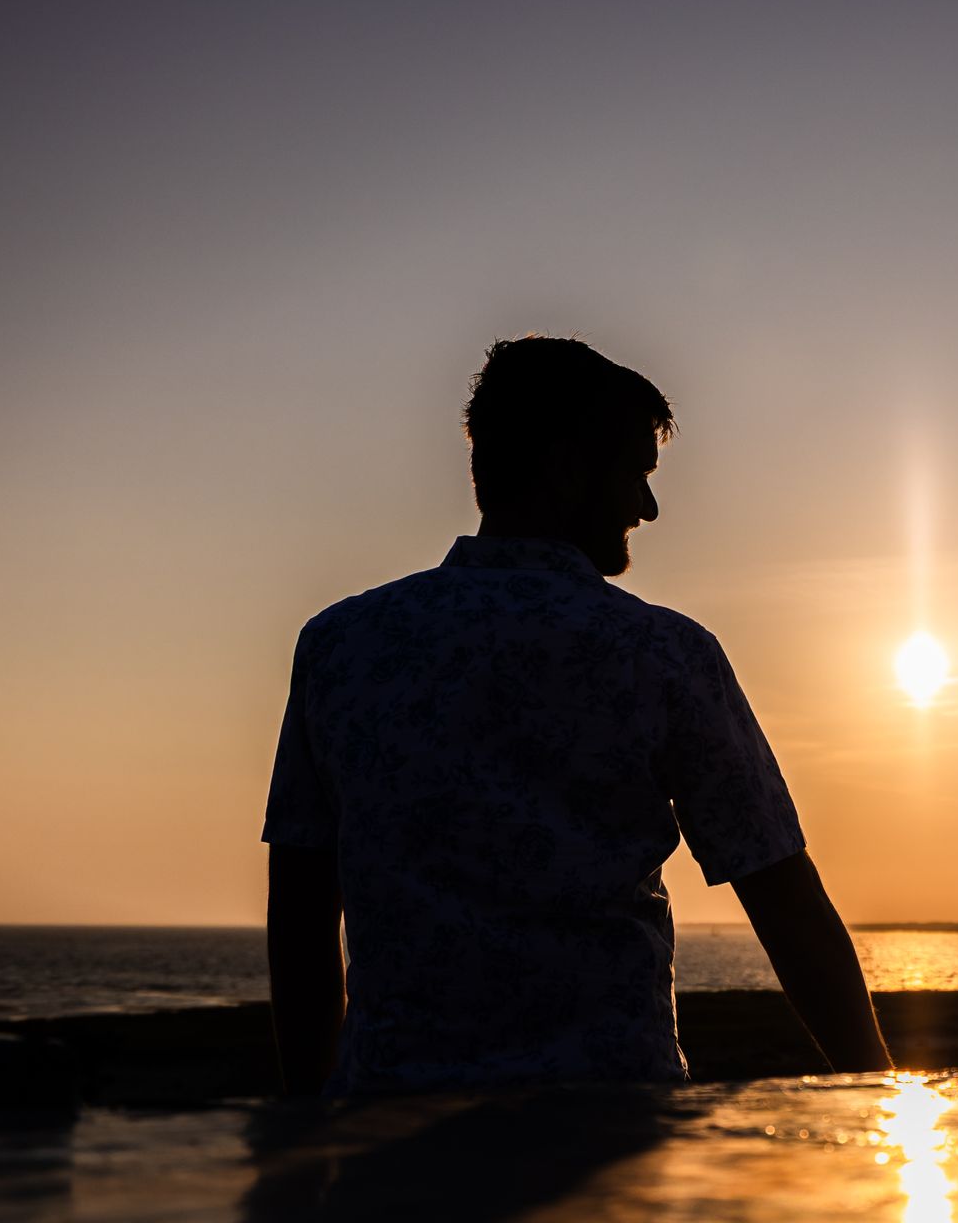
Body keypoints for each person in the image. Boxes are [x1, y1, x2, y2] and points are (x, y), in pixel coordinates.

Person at [263, 336, 890, 1097]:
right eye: (636, 474)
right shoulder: (661, 653)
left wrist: (304, 1130)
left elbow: (301, 914)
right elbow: (786, 905)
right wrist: (879, 1103)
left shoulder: (340, 645)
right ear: (566, 468)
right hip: (609, 1133)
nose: (648, 507)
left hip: (387, 1132)